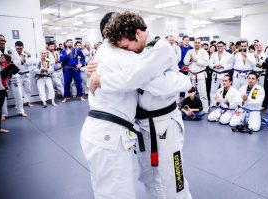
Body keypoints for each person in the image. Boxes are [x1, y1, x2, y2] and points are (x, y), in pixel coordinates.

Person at [87, 11, 192, 199]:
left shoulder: (161, 47)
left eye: (126, 46)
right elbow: (136, 75)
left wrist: (102, 78)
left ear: (137, 34)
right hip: (141, 126)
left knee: (174, 180)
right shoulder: (135, 52)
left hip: (166, 122)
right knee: (148, 177)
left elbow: (137, 78)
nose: (126, 51)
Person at [0, 34, 27, 118]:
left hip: (12, 74)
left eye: (3, 40)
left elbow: (17, 59)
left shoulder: (10, 49)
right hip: (1, 76)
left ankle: (21, 111)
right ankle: (4, 114)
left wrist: (9, 65)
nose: (2, 42)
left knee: (18, 94)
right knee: (3, 96)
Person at [184, 37, 210, 113]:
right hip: (191, 75)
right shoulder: (190, 51)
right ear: (194, 43)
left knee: (203, 93)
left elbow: (206, 63)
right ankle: (187, 107)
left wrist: (195, 60)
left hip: (200, 75)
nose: (197, 44)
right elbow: (185, 62)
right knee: (189, 93)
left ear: (200, 43)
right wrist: (190, 59)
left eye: (198, 43)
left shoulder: (204, 52)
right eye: (196, 42)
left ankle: (205, 109)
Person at [209, 41, 233, 107]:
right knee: (213, 90)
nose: (220, 47)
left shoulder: (228, 55)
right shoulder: (214, 54)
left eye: (221, 46)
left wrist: (223, 66)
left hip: (224, 75)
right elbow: (209, 64)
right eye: (218, 46)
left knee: (224, 90)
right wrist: (214, 66)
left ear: (224, 46)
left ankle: (223, 104)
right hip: (215, 74)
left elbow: (231, 65)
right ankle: (213, 104)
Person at [14, 41, 34, 107]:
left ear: (23, 47)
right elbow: (14, 64)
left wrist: (25, 60)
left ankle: (28, 102)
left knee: (28, 89)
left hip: (26, 74)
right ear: (15, 47)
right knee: (18, 91)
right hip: (18, 75)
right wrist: (21, 61)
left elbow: (31, 63)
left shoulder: (26, 54)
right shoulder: (13, 55)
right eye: (18, 48)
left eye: (21, 48)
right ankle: (19, 104)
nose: (19, 49)